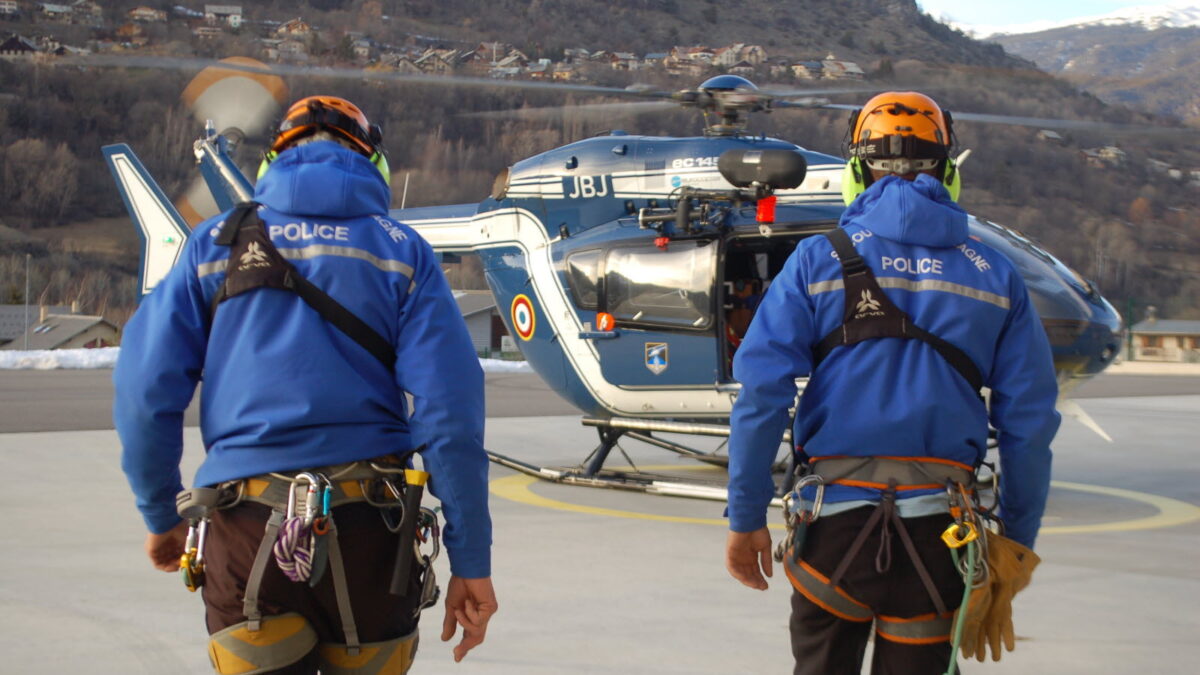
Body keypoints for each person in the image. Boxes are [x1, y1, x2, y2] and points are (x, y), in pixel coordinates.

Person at [115, 95, 497, 674]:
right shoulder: (402, 252)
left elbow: (146, 392)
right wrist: (471, 558)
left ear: (274, 160)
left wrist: (161, 515)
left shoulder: (215, 244)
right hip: (376, 535)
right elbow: (450, 417)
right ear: (373, 162)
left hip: (246, 536)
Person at [723, 91, 1059, 674]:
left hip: (831, 531)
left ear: (857, 172)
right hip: (943, 537)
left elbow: (762, 395)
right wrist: (1019, 538)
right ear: (948, 172)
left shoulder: (814, 260)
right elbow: (1028, 422)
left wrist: (745, 516)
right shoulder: (996, 273)